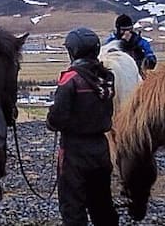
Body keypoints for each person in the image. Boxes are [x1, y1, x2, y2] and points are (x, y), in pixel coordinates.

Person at [47, 27, 119, 226]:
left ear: (73, 51)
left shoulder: (70, 79)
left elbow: (57, 118)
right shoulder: (107, 77)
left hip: (74, 152)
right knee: (102, 203)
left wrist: (50, 121)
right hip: (101, 149)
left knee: (73, 206)